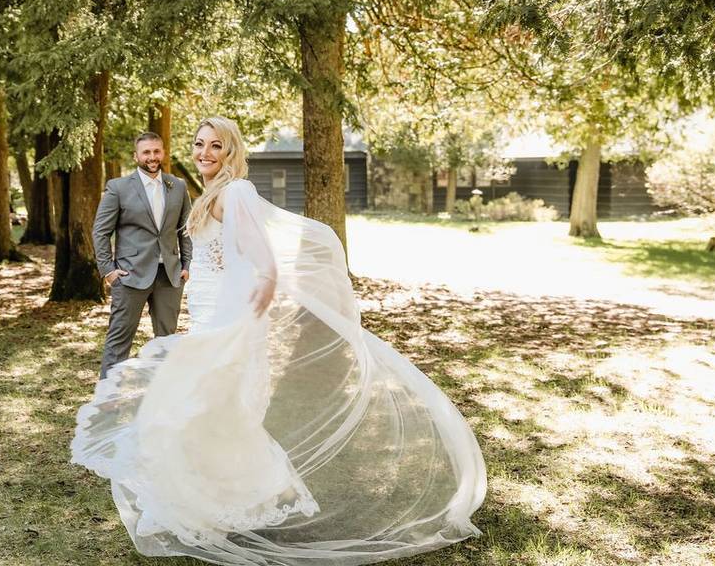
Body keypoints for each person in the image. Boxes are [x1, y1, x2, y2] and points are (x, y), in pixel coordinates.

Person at [72, 117, 487, 565]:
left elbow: (260, 258)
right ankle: (223, 503)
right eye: (199, 144)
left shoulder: (236, 192)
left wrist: (260, 292)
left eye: (216, 146)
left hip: (226, 321)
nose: (205, 152)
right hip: (210, 313)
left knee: (188, 408)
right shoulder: (210, 192)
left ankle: (220, 502)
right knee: (212, 414)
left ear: (231, 152)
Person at [91, 131, 192, 380]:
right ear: (136, 155)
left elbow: (185, 230)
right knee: (118, 342)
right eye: (146, 152)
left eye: (156, 151)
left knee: (167, 343)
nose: (152, 157)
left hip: (169, 276)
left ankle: (163, 399)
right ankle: (108, 404)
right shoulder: (118, 188)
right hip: (130, 276)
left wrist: (187, 264)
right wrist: (109, 271)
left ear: (163, 153)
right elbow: (100, 232)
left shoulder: (177, 186)